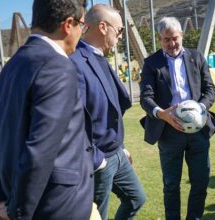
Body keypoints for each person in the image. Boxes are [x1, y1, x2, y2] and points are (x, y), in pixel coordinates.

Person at [0, 0, 95, 219]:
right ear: (67, 24)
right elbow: (40, 149)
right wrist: (18, 211)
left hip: (21, 200)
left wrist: (1, 199)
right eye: (82, 25)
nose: (81, 33)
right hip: (55, 206)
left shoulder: (10, 67)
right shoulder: (57, 66)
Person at [70, 4, 146, 220]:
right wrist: (97, 160)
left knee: (136, 199)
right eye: (119, 30)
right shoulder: (76, 62)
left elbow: (109, 110)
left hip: (116, 153)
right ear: (103, 27)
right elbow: (76, 121)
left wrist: (120, 147)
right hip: (97, 159)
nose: (121, 36)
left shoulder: (99, 57)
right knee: (95, 216)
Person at [139, 17, 215, 220]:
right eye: (166, 40)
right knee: (171, 185)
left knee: (200, 182)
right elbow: (146, 98)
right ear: (160, 39)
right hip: (168, 131)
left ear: (181, 35)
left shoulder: (197, 57)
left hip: (198, 131)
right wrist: (162, 114)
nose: (172, 44)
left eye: (175, 38)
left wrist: (200, 108)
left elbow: (210, 89)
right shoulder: (151, 63)